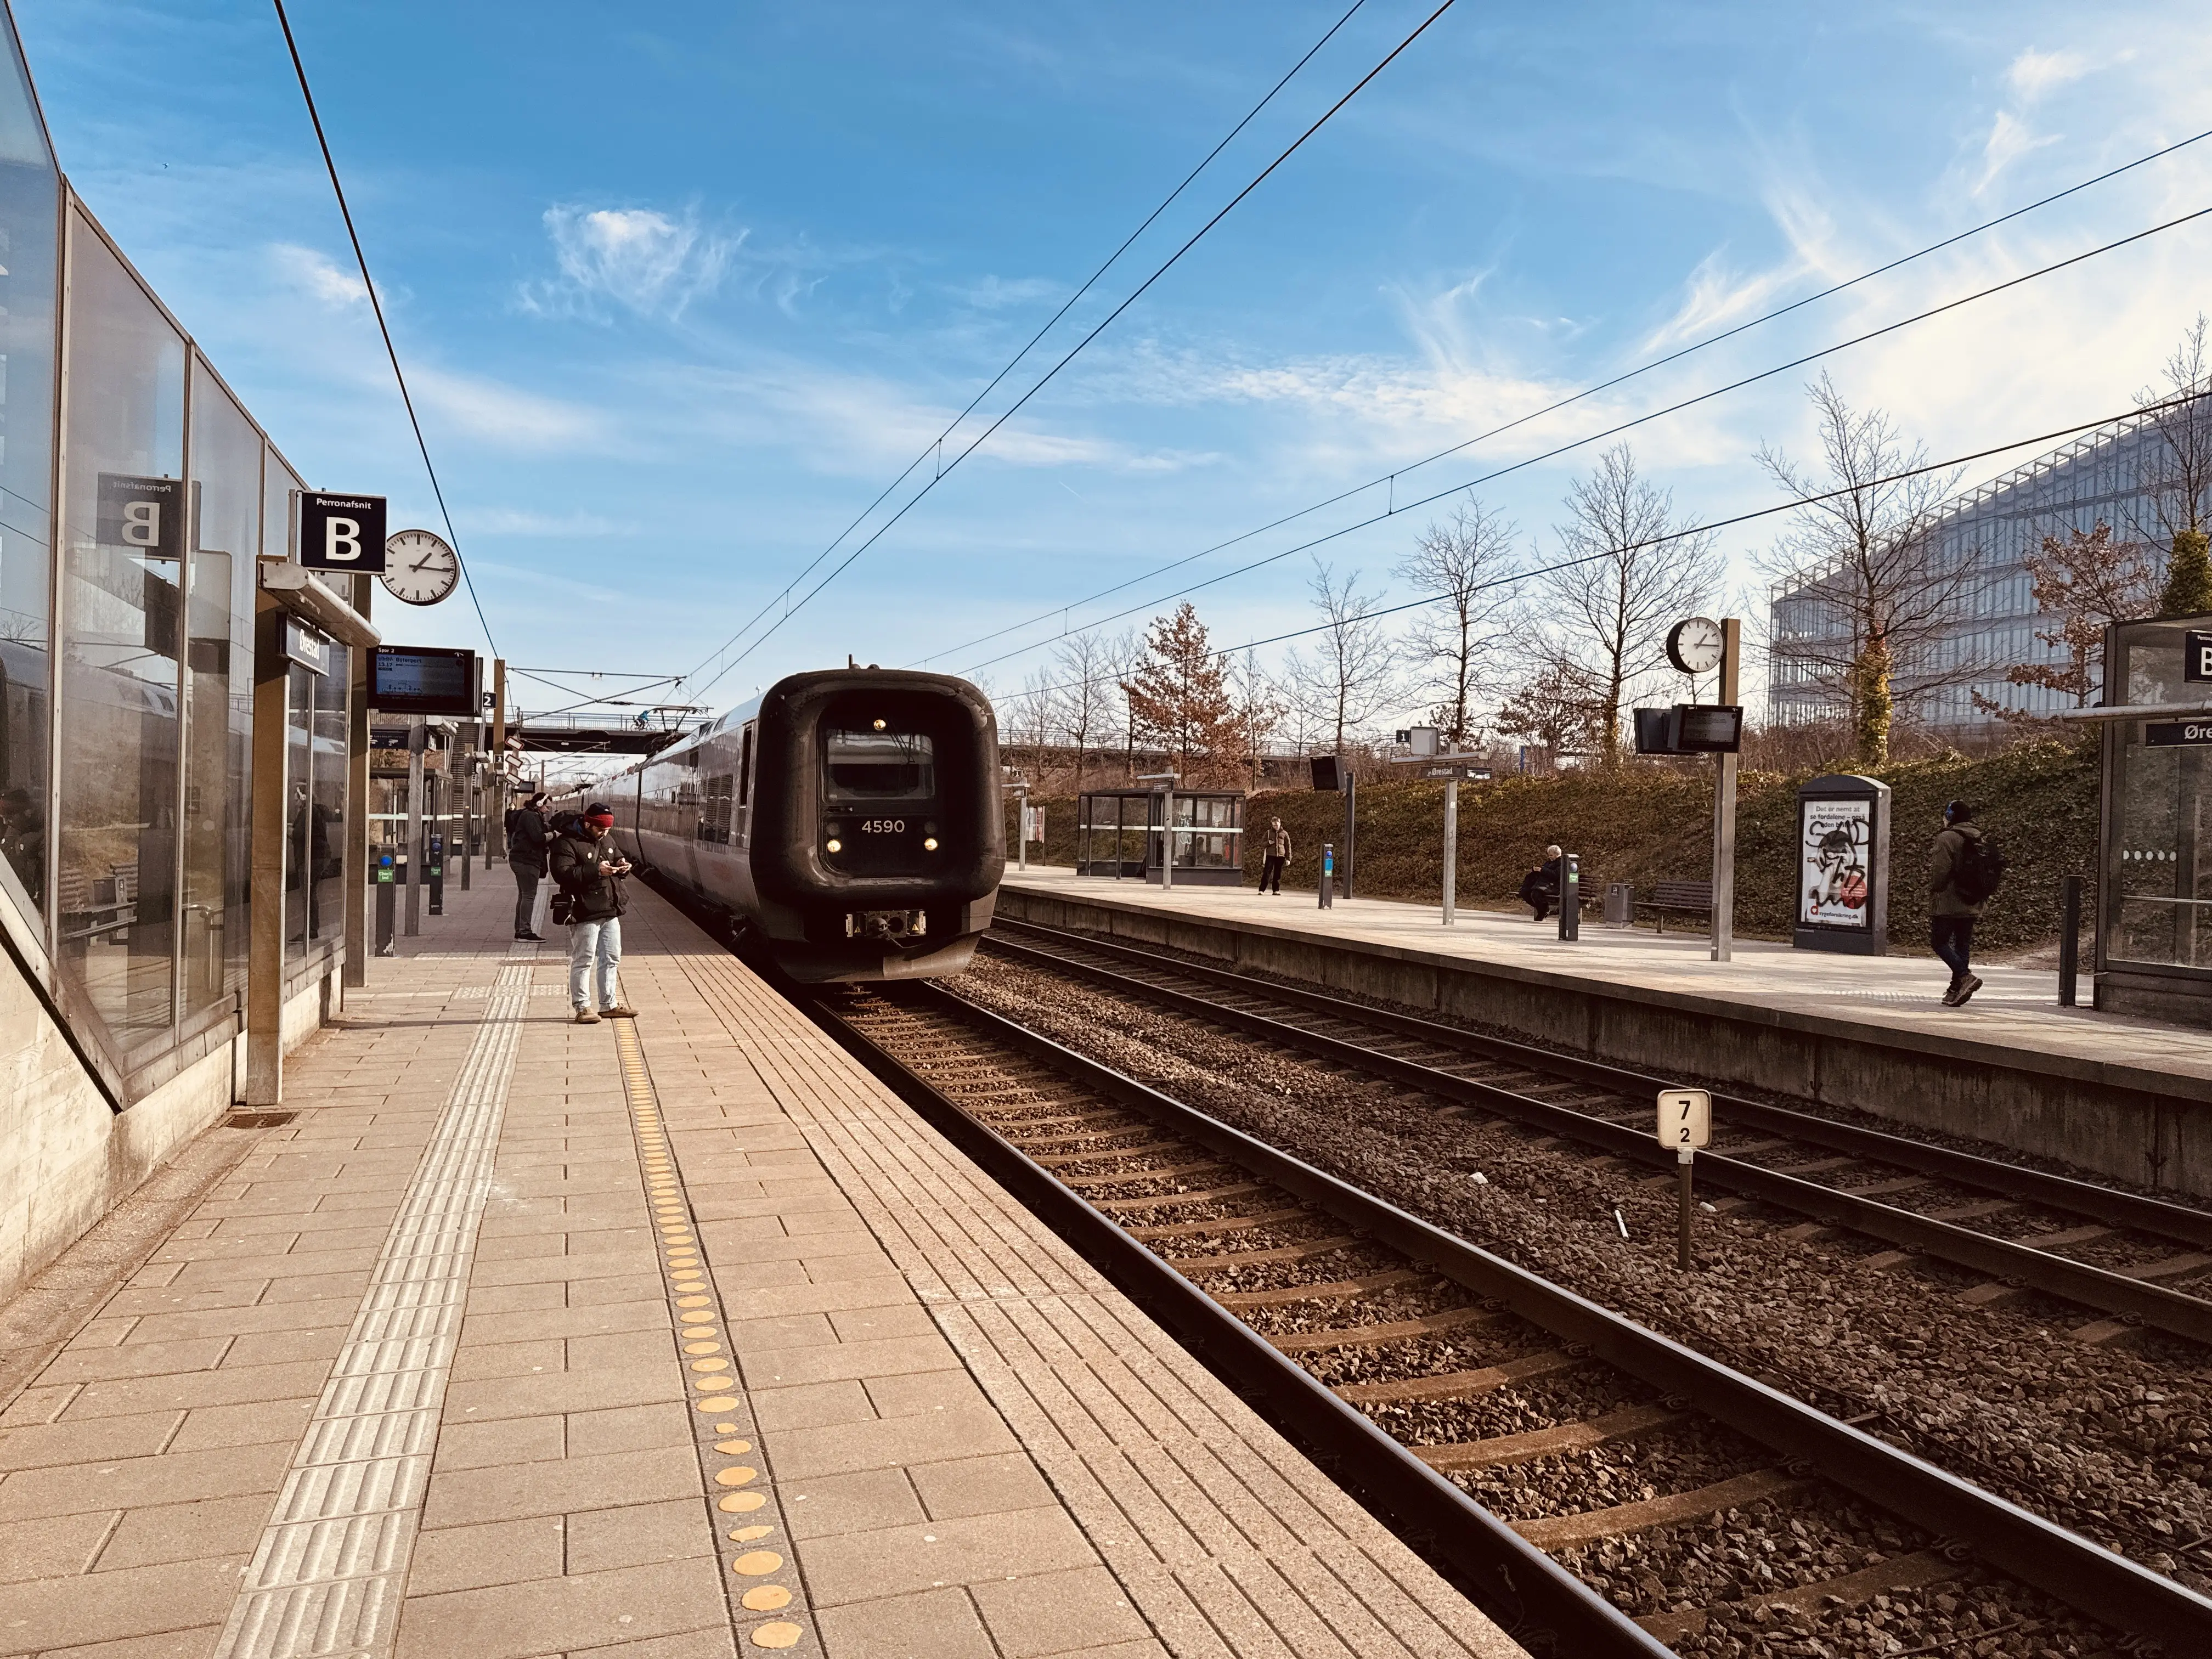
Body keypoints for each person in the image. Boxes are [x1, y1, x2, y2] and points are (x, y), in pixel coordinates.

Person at [551, 802, 636, 1023]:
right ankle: (582, 1008)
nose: (604, 833)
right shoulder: (566, 843)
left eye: (607, 829)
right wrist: (596, 870)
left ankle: (609, 1005)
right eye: (600, 829)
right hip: (584, 908)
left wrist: (622, 865)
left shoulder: (607, 838)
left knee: (611, 957)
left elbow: (617, 856)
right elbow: (562, 874)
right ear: (587, 824)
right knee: (584, 959)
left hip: (610, 908)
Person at [1929, 799, 1989, 1006]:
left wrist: (1936, 889)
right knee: (1962, 944)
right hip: (1973, 900)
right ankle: (1956, 990)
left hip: (1949, 901)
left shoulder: (1947, 838)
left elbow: (1940, 871)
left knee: (1939, 942)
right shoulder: (1978, 837)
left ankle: (1965, 976)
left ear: (1951, 816)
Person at [507, 792, 552, 943]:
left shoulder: (530, 815)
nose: (548, 810)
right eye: (547, 807)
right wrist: (554, 835)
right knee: (529, 896)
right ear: (539, 804)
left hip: (522, 860)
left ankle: (520, 930)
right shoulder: (531, 816)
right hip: (526, 860)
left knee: (524, 895)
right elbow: (538, 838)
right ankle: (525, 931)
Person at [1520, 844, 1563, 922]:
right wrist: (1536, 869)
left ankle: (1542, 912)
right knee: (1524, 892)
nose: (1549, 857)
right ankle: (1544, 908)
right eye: (1549, 855)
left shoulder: (1561, 863)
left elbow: (1555, 875)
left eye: (1551, 855)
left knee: (1535, 894)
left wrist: (1541, 870)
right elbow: (1544, 870)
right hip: (1544, 884)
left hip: (1553, 886)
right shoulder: (1549, 862)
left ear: (1557, 854)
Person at [1259, 817, 1291, 894]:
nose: (1276, 827)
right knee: (1267, 872)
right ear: (1272, 825)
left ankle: (1276, 890)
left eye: (1277, 825)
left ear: (1280, 823)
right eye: (1274, 825)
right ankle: (1261, 890)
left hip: (1281, 856)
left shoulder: (1285, 833)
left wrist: (1289, 859)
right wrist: (1268, 843)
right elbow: (1262, 844)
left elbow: (1288, 846)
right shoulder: (1269, 833)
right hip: (1270, 855)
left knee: (1278, 873)